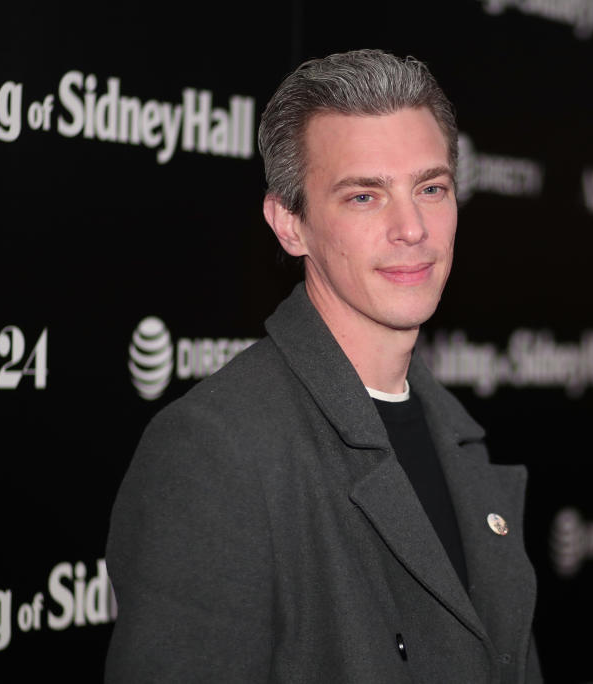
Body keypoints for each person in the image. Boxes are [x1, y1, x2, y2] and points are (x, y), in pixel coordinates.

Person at [105, 49, 541, 682]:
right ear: (289, 224)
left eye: (431, 188)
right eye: (365, 197)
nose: (412, 228)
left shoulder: (459, 437)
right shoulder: (213, 454)